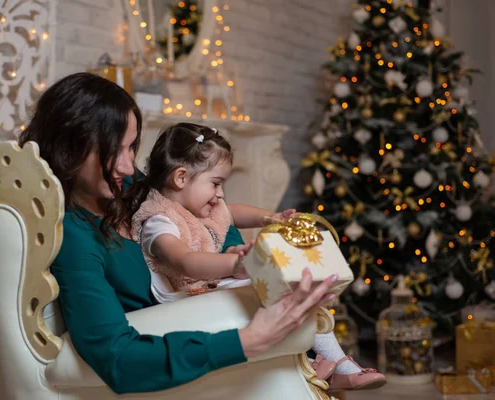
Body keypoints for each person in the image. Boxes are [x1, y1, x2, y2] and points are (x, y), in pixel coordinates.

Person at [18, 72, 338, 394]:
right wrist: (249, 341)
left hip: (208, 303)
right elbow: (117, 356)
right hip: (179, 343)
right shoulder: (73, 236)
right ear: (71, 146)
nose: (129, 166)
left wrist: (233, 260)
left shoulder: (125, 186)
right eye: (117, 150)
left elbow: (208, 218)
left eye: (132, 148)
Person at [113, 123, 387, 391]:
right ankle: (321, 365)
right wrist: (235, 264)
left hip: (208, 287)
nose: (220, 194)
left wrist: (271, 218)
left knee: (291, 291)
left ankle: (331, 362)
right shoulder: (159, 220)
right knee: (276, 295)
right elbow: (185, 261)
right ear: (181, 178)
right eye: (216, 183)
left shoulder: (205, 208)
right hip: (184, 296)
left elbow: (234, 212)